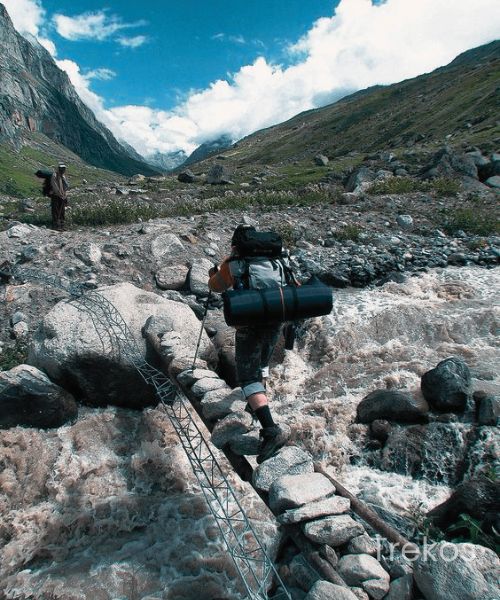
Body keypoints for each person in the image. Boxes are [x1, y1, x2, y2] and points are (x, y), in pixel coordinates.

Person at [208, 225, 290, 463]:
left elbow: (215, 287)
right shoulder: (277, 258)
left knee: (247, 378)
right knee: (262, 363)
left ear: (236, 245)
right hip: (277, 316)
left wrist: (216, 271)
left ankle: (270, 430)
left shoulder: (234, 263)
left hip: (250, 323)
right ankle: (255, 406)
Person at [47, 163, 69, 230]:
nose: (63, 170)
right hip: (55, 195)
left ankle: (62, 225)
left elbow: (66, 186)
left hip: (62, 195)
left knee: (62, 211)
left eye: (64, 169)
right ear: (59, 169)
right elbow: (55, 185)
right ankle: (56, 226)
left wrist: (65, 194)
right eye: (62, 168)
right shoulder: (55, 175)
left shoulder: (63, 176)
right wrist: (60, 193)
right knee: (55, 210)